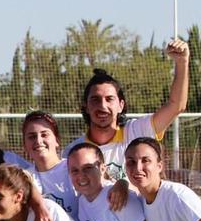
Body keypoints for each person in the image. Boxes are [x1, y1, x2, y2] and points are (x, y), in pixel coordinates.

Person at [65, 39, 190, 181]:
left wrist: (182, 62)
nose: (102, 106)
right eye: (95, 100)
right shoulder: (73, 151)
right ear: (85, 106)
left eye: (109, 99)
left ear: (121, 105)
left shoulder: (137, 130)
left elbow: (176, 106)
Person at [22, 112, 78, 219]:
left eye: (44, 135)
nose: (38, 141)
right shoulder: (24, 178)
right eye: (32, 137)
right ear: (24, 145)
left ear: (57, 140)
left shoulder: (75, 168)